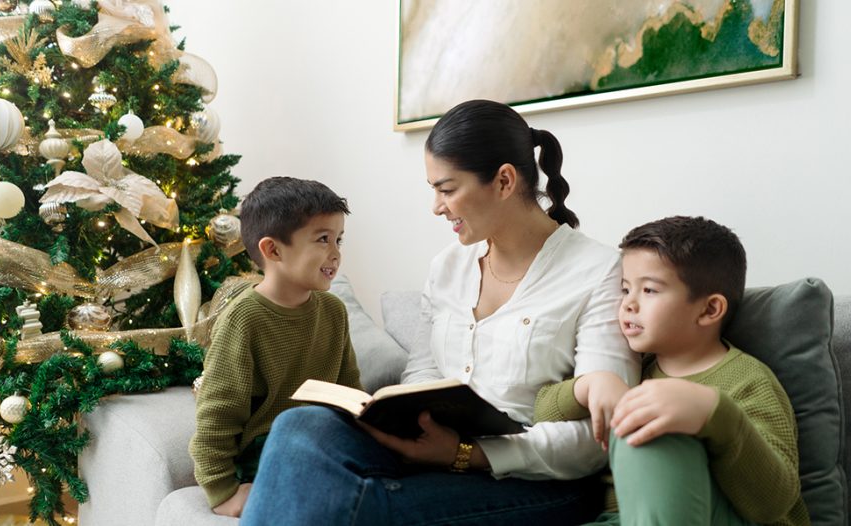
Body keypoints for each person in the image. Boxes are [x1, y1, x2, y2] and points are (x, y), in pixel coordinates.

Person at [239, 99, 639, 525]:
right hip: (436, 450)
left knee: (355, 502)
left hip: (536, 481)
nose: (436, 206)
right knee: (299, 427)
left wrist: (466, 454)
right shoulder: (449, 267)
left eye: (447, 189)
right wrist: (403, 418)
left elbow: (596, 436)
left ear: (504, 181)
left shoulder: (599, 273)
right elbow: (425, 371)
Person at [534, 216, 809, 525]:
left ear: (709, 309)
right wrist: (590, 385)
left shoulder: (747, 380)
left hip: (716, 516)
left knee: (655, 424)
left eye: (649, 291)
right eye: (625, 290)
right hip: (623, 518)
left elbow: (773, 504)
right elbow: (540, 412)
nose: (628, 304)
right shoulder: (633, 368)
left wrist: (717, 415)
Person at [189, 176, 362, 518]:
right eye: (323, 239)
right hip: (268, 452)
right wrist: (223, 491)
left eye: (339, 239)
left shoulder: (333, 311)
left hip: (324, 441)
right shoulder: (245, 317)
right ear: (273, 250)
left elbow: (349, 390)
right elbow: (216, 413)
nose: (336, 254)